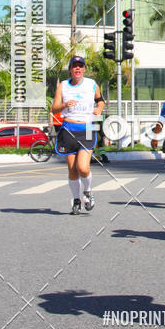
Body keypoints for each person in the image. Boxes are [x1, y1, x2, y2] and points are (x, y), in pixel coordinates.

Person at [51, 55, 105, 214]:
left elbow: (100, 101)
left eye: (80, 66)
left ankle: (88, 191)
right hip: (68, 128)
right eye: (74, 66)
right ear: (70, 70)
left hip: (86, 129)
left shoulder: (91, 84)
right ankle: (76, 200)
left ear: (84, 69)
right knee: (72, 169)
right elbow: (54, 108)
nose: (78, 69)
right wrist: (65, 104)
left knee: (83, 167)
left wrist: (99, 109)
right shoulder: (63, 86)